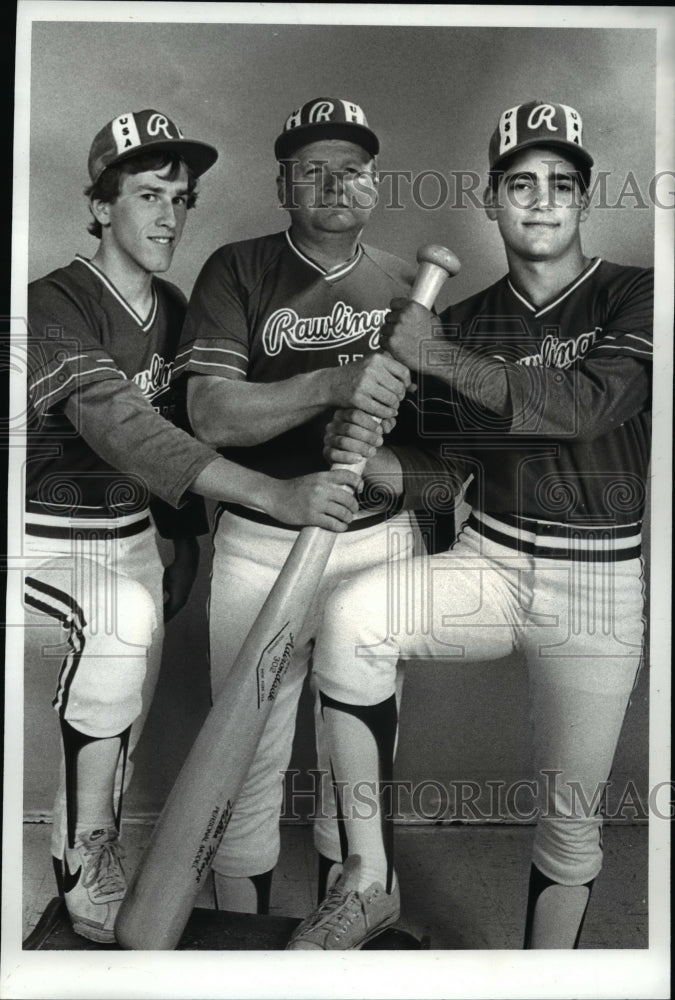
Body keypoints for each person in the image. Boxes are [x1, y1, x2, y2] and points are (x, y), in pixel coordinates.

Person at [286, 99, 653, 950]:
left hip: (595, 584)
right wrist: (369, 459)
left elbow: (585, 408)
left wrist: (434, 355)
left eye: (561, 184)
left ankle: (541, 973)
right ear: (491, 201)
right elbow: (445, 474)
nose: (540, 200)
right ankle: (368, 881)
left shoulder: (636, 293)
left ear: (585, 202)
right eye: (518, 183)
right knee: (350, 618)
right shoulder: (468, 316)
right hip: (489, 561)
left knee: (569, 825)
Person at [23, 108, 361, 943]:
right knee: (118, 626)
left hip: (130, 536)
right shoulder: (46, 303)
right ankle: (83, 852)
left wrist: (184, 535)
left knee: (120, 696)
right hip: (36, 535)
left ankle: (87, 840)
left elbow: (185, 427)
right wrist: (272, 497)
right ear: (100, 207)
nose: (169, 215)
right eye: (147, 195)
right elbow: (122, 427)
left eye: (182, 198)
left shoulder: (173, 308)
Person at [175, 97, 455, 916]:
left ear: (375, 185)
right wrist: (333, 384)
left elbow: (446, 461)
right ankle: (239, 934)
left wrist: (383, 464)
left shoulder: (415, 289)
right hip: (263, 544)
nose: (335, 184)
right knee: (247, 761)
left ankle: (347, 924)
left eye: (353, 170)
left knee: (357, 758)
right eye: (312, 171)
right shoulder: (238, 268)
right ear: (281, 186)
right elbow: (209, 414)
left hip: (375, 549)